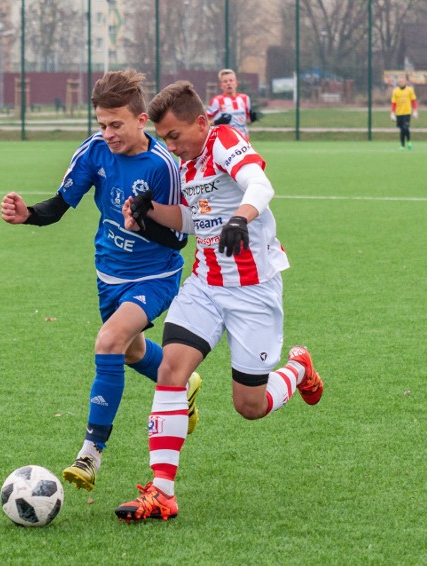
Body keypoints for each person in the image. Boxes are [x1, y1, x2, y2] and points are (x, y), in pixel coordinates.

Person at [114, 81, 324, 523]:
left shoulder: (224, 140)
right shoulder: (187, 166)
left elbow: (260, 185)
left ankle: (299, 366)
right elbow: (193, 219)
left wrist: (240, 219)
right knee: (171, 369)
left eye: (174, 136)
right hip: (205, 286)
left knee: (250, 407)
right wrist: (149, 210)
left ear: (202, 122)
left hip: (253, 293)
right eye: (165, 139)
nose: (171, 147)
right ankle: (162, 492)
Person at [0, 70, 202, 492]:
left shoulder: (163, 165)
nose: (107, 133)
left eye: (116, 125)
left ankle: (91, 453)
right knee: (128, 352)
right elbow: (61, 204)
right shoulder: (94, 151)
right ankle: (182, 379)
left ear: (141, 120)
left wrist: (143, 223)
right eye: (102, 124)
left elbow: (179, 240)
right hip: (108, 272)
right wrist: (29, 215)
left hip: (155, 273)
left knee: (108, 341)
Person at [206, 68, 256, 139]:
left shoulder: (245, 98)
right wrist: (216, 122)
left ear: (236, 83)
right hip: (225, 141)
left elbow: (246, 122)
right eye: (225, 81)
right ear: (221, 85)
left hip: (243, 141)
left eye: (231, 80)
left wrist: (252, 119)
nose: (228, 83)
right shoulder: (216, 100)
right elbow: (204, 123)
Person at [390, 76, 418, 150]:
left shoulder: (409, 90)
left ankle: (409, 142)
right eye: (399, 82)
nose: (401, 83)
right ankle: (402, 145)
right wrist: (392, 113)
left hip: (407, 113)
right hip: (399, 113)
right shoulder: (395, 91)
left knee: (405, 127)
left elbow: (413, 101)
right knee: (402, 129)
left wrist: (415, 111)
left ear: (405, 82)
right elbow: (394, 103)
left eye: (402, 82)